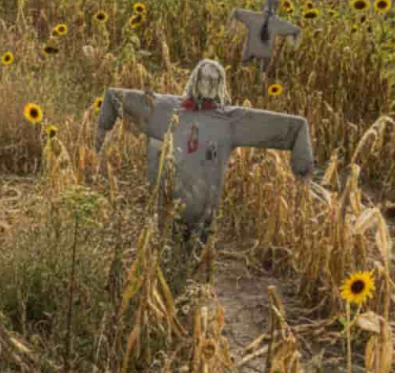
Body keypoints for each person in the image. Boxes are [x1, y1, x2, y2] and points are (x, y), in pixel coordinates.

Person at [94, 59, 313, 249]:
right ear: (195, 80)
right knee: (164, 256)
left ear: (220, 84)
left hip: (204, 216)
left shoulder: (231, 120)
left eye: (214, 80)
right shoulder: (163, 108)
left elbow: (292, 127)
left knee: (195, 267)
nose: (208, 84)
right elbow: (115, 97)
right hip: (165, 209)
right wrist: (101, 139)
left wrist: (303, 169)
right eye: (204, 78)